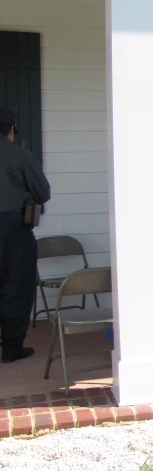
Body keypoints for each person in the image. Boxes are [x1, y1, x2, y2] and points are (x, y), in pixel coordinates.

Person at [0, 109, 51, 363]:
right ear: (10, 130)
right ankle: (11, 347)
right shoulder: (20, 155)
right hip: (13, 227)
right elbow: (42, 192)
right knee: (17, 286)